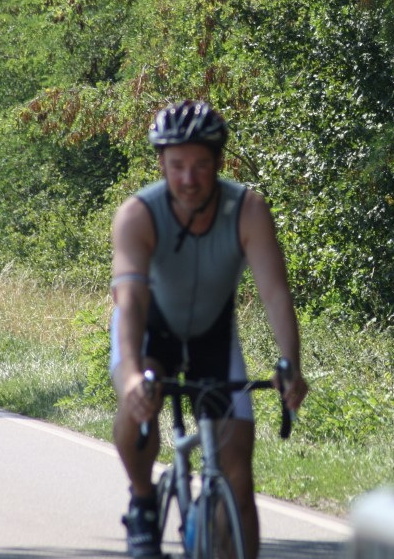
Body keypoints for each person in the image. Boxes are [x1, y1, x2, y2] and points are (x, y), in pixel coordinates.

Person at [109, 100, 308, 559]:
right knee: (137, 405)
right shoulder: (138, 214)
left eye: (200, 165)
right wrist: (134, 375)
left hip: (213, 337)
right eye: (177, 165)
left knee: (238, 472)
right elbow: (131, 301)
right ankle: (143, 501)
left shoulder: (247, 209)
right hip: (148, 331)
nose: (189, 178)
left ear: (219, 162)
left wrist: (289, 364)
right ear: (161, 164)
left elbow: (276, 294)